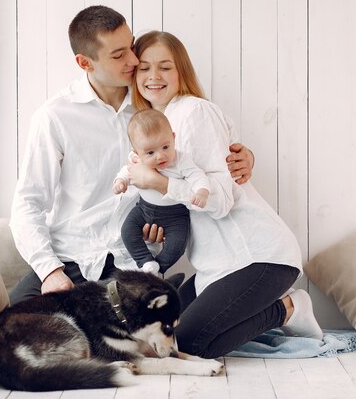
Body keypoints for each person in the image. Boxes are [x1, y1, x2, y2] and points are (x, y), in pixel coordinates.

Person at [8, 5, 254, 305]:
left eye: (131, 46)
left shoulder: (155, 107)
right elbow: (27, 205)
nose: (134, 60)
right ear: (85, 63)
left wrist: (244, 155)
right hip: (71, 257)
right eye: (118, 54)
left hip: (133, 260)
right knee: (16, 328)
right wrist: (49, 271)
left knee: (135, 336)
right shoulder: (55, 117)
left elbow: (207, 139)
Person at [128, 30, 323, 359]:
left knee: (188, 345)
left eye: (165, 67)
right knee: (156, 341)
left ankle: (289, 309)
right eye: (144, 68)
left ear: (182, 72)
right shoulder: (152, 125)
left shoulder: (194, 113)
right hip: (215, 265)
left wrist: (160, 184)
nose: (154, 76)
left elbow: (220, 201)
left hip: (258, 256)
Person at [114, 108, 209, 274]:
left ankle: (158, 268)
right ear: (137, 152)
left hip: (175, 215)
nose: (160, 156)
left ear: (173, 138)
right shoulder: (136, 159)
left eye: (165, 147)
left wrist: (202, 191)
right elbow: (127, 171)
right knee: (127, 231)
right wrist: (121, 181)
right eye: (150, 152)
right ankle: (144, 261)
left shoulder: (181, 160)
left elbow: (197, 175)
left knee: (177, 245)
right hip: (143, 210)